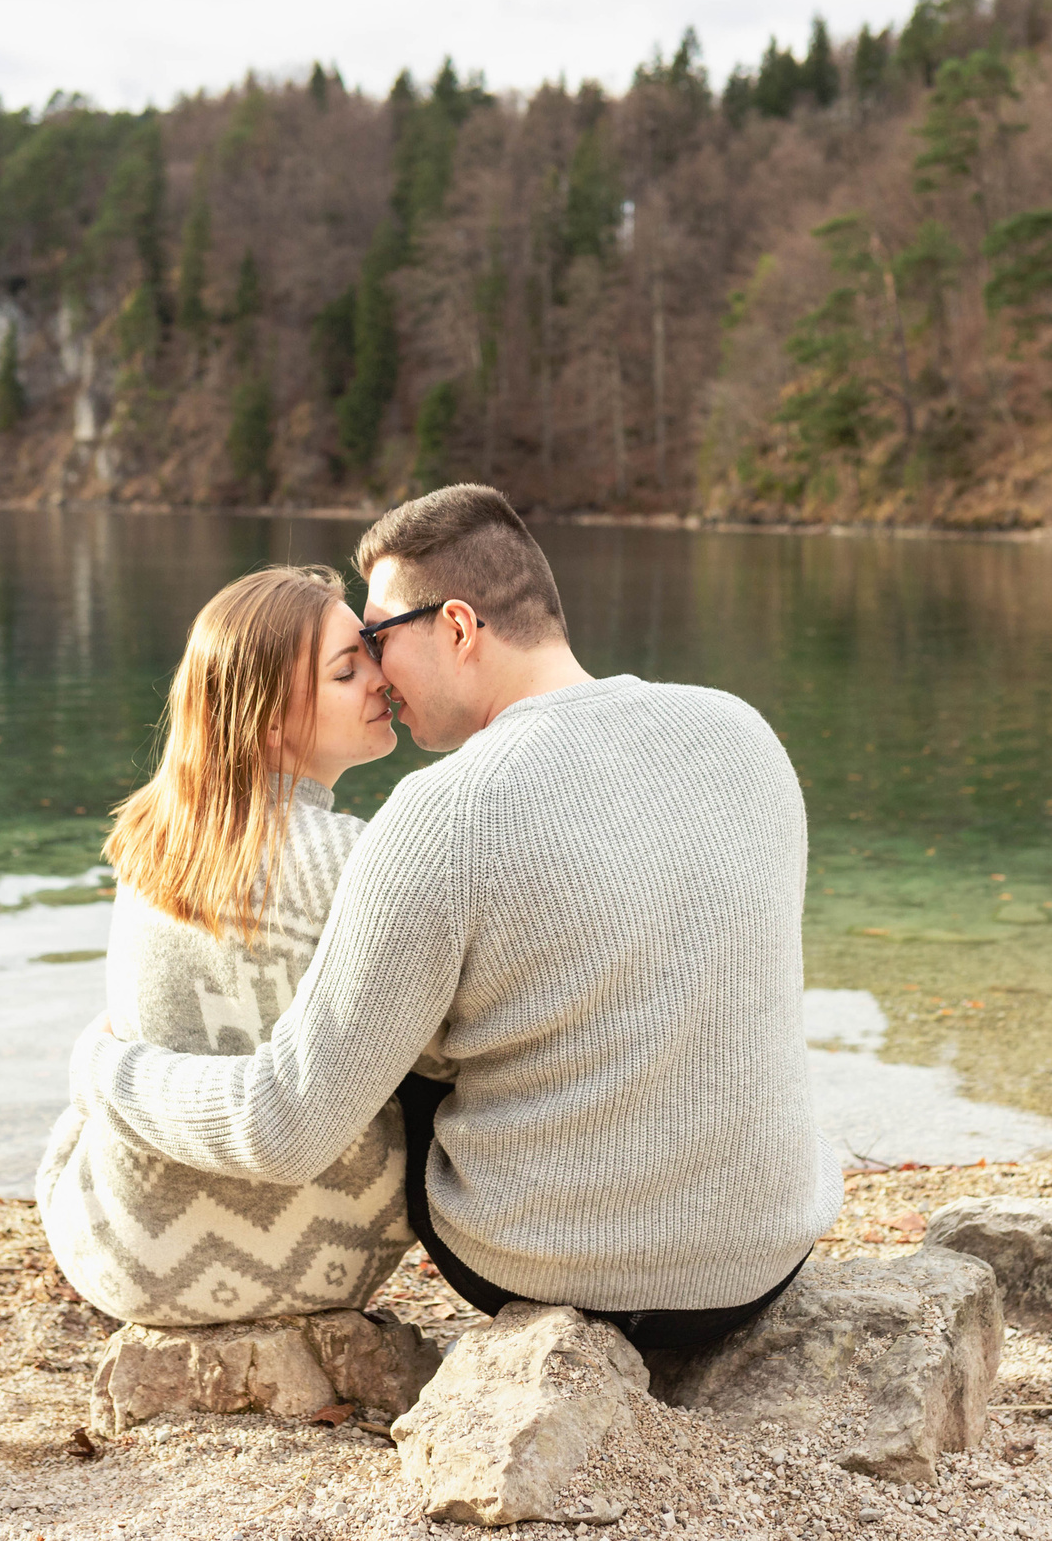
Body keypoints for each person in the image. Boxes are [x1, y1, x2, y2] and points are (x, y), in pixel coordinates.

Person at [68, 485, 840, 1351]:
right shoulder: (742, 731)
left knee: (395, 1041)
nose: (379, 673)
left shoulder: (441, 812)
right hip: (762, 1262)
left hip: (550, 1270)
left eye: (381, 638)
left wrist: (108, 1069)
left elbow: (286, 1127)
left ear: (460, 628)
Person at [36, 564, 426, 1325]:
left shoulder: (154, 835)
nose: (382, 679)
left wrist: (94, 1066)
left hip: (118, 1254)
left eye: (369, 654)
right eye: (348, 669)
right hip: (326, 1261)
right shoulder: (356, 855)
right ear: (270, 721)